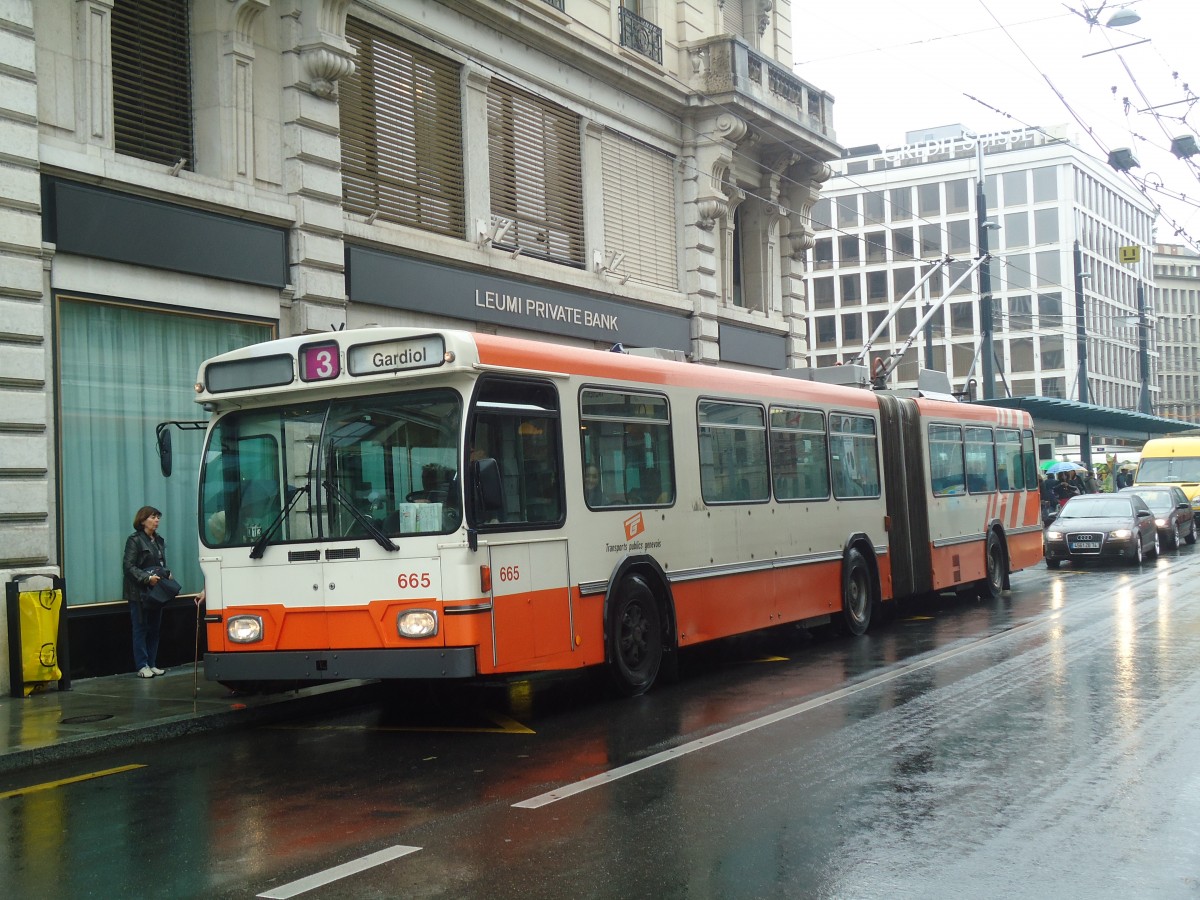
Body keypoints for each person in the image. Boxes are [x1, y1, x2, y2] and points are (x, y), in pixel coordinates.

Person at [123, 505, 169, 678]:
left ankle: (152, 663)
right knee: (140, 628)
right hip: (139, 593)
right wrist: (146, 578)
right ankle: (142, 665)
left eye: (158, 517)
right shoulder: (134, 540)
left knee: (154, 629)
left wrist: (166, 573)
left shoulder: (158, 540)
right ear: (142, 520)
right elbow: (128, 566)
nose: (156, 520)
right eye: (153, 517)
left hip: (156, 592)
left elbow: (159, 564)